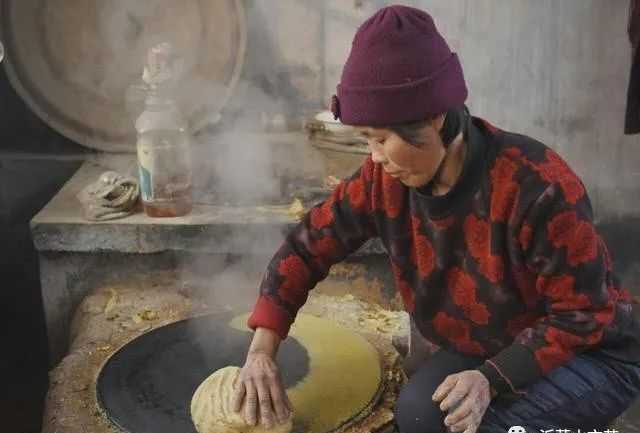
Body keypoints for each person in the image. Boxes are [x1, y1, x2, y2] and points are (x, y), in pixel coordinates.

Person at [232, 5, 640, 433]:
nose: (374, 157)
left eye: (383, 139)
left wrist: (489, 380)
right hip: (490, 344)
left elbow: (582, 315)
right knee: (419, 416)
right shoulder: (382, 180)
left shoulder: (537, 186)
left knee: (471, 427)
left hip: (594, 354)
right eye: (366, 139)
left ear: (434, 117)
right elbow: (308, 245)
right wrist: (262, 348)